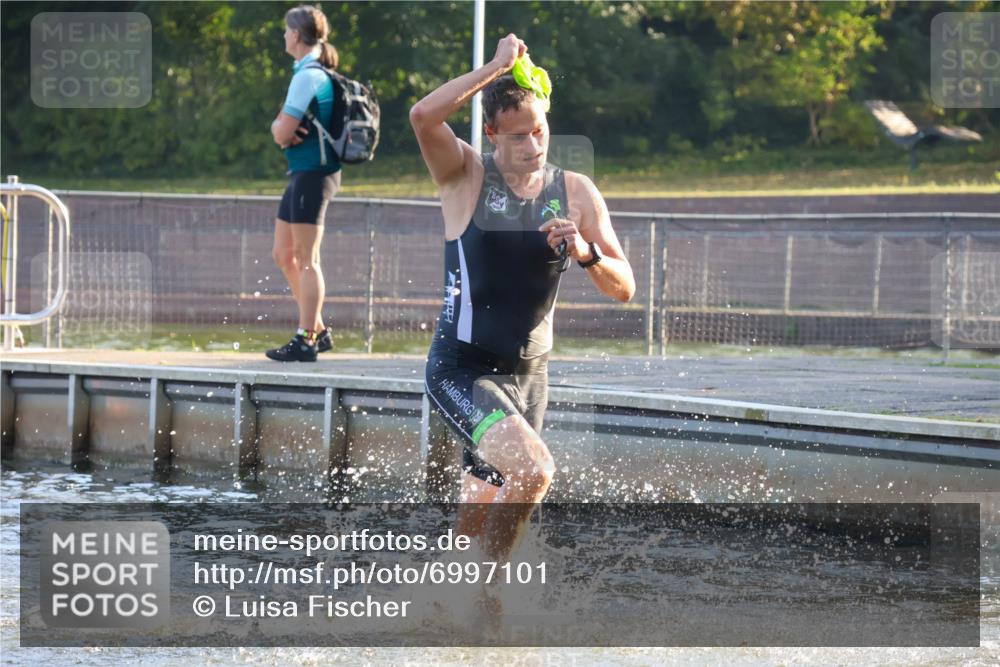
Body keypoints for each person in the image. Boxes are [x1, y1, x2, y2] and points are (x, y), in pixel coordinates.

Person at [410, 34, 636, 565]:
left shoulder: (575, 190)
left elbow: (625, 287)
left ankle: (447, 607)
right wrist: (495, 68)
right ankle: (490, 602)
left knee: (475, 521)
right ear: (491, 134)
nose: (533, 147)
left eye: (540, 131)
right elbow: (423, 116)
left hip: (528, 379)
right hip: (462, 369)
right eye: (517, 137)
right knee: (534, 472)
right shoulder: (465, 175)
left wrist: (586, 254)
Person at [266, 5, 340, 362]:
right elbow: (284, 131)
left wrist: (279, 128)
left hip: (315, 174)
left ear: (296, 35)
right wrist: (282, 129)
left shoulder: (308, 75)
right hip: (301, 174)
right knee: (284, 254)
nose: (283, 36)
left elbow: (282, 131)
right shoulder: (306, 72)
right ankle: (319, 329)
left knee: (308, 259)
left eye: (285, 30)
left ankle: (306, 338)